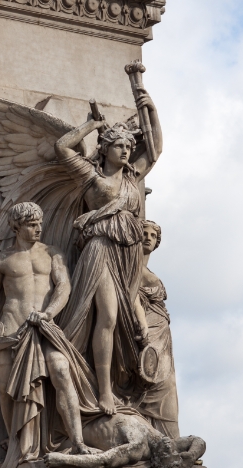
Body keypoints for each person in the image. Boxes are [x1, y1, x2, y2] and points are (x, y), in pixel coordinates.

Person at [0, 202, 99, 468]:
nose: (38, 229)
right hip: (10, 329)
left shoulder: (51, 254)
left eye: (39, 224)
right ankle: (18, 447)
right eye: (32, 225)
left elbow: (64, 287)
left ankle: (78, 441)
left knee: (60, 369)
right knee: (7, 388)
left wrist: (47, 313)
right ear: (16, 226)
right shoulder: (1, 259)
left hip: (44, 327)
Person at [55, 102, 163, 416]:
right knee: (109, 316)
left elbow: (154, 149)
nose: (127, 151)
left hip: (128, 253)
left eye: (130, 146)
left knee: (122, 323)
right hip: (100, 248)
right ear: (105, 149)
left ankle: (115, 384)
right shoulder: (90, 175)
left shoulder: (133, 177)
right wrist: (92, 125)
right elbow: (61, 147)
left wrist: (148, 104)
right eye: (119, 145)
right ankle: (102, 391)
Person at [43, 410, 205, 468]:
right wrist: (190, 456)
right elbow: (199, 441)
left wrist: (62, 460)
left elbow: (102, 461)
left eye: (166, 454)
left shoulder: (136, 447)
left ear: (156, 458)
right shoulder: (165, 441)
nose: (169, 448)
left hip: (78, 425)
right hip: (106, 407)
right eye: (173, 452)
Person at [136, 220, 180, 439]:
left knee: (168, 385)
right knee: (157, 385)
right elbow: (131, 294)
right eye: (144, 233)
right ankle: (163, 441)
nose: (148, 238)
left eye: (153, 235)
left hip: (162, 332)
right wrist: (142, 324)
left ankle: (169, 439)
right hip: (148, 329)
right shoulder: (131, 265)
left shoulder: (147, 269)